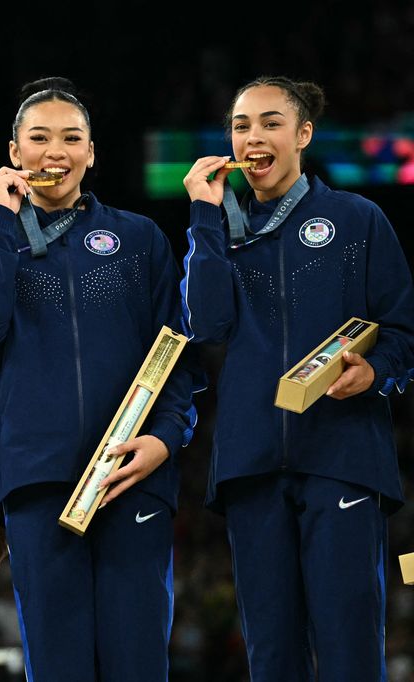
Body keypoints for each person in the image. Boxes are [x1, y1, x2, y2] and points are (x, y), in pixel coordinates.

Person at [0, 78, 198, 681]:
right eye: (38, 138)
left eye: (71, 138)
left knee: (138, 663)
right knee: (57, 667)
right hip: (38, 482)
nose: (54, 150)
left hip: (132, 474)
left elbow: (177, 356)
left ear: (92, 153)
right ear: (14, 152)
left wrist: (165, 438)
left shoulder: (138, 240)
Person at [180, 76, 414, 681]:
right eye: (241, 125)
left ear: (303, 135)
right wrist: (205, 217)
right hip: (252, 462)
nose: (253, 137)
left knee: (349, 649)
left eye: (270, 123)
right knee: (272, 656)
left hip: (342, 454)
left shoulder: (357, 219)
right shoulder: (221, 235)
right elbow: (206, 325)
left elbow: (402, 331)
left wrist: (376, 371)